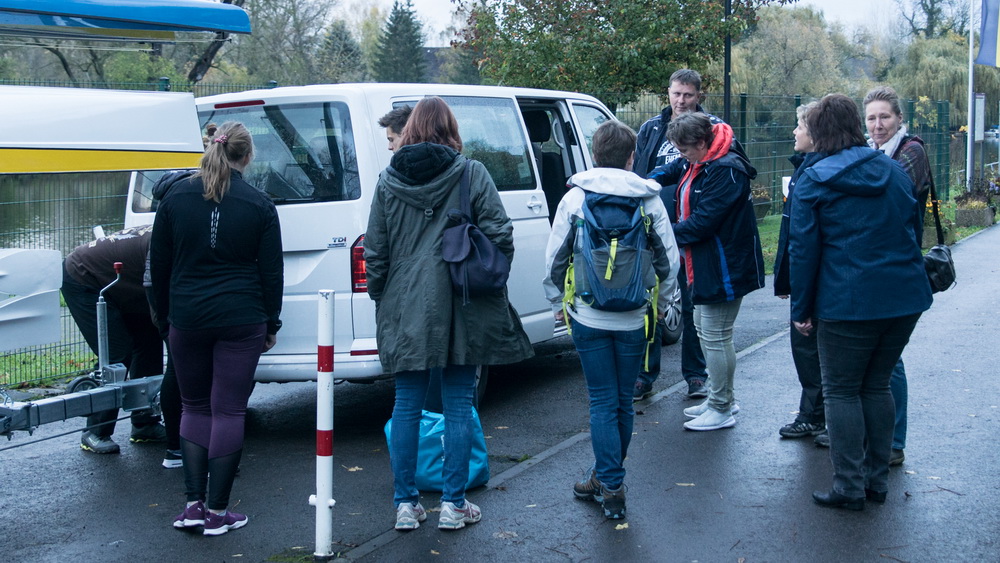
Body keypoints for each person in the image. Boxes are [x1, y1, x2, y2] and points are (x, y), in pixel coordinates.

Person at [364, 97, 532, 531]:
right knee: (458, 404)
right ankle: (454, 505)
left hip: (405, 304)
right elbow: (500, 234)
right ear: (451, 130)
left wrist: (385, 299)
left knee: (406, 405)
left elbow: (376, 253)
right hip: (463, 302)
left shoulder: (387, 182)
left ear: (410, 131)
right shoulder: (471, 172)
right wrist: (485, 272)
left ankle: (406, 505)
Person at [789, 94, 932, 510]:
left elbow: (803, 251)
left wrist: (801, 309)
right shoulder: (893, 170)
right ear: (856, 124)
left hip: (847, 301)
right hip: (903, 298)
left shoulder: (815, 178)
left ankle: (849, 486)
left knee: (841, 391)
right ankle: (876, 481)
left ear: (820, 132)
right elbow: (913, 229)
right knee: (876, 384)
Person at [151, 121, 284, 535]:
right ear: (248, 156)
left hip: (187, 316)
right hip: (242, 317)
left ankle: (192, 505)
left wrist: (165, 318)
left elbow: (159, 267)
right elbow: (271, 273)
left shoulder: (174, 199)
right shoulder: (259, 204)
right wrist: (272, 322)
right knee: (229, 410)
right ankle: (218, 511)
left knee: (194, 407)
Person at [544, 120, 679, 520]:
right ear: (632, 156)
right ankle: (608, 479)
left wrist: (556, 301)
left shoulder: (576, 197)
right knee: (622, 401)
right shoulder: (648, 199)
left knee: (602, 401)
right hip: (635, 316)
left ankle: (609, 481)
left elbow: (554, 259)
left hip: (587, 314)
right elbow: (668, 261)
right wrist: (664, 303)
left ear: (594, 155)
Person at [649, 112, 764, 431]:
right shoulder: (703, 159)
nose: (682, 156)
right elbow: (675, 168)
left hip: (725, 267)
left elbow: (702, 224)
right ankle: (719, 397)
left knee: (715, 335)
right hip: (706, 264)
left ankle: (721, 407)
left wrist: (658, 233)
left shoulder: (725, 169)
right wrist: (646, 182)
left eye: (684, 149)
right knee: (704, 328)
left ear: (701, 142)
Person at [633, 69, 716, 401]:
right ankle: (644, 375)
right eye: (676, 93)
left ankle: (695, 375)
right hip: (654, 231)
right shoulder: (651, 128)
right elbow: (641, 175)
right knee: (651, 303)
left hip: (693, 234)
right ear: (667, 93)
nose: (681, 100)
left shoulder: (712, 128)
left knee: (692, 304)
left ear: (699, 96)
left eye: (688, 95)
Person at [863, 85, 933, 467]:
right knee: (872, 359)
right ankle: (874, 438)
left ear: (899, 118)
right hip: (873, 266)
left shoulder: (911, 151)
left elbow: (886, 193)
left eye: (884, 117)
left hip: (899, 267)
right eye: (871, 118)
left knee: (890, 361)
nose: (877, 125)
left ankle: (894, 441)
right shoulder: (870, 151)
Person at [62, 225, 168, 454]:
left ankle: (145, 425)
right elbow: (159, 294)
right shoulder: (165, 241)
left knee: (149, 343)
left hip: (123, 284)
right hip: (84, 277)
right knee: (116, 352)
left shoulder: (174, 234)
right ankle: (95, 431)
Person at [774, 102, 827, 440]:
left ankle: (816, 416)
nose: (795, 132)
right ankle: (814, 413)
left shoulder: (814, 173)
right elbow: (789, 230)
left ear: (815, 134)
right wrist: (783, 280)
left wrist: (801, 299)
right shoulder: (804, 168)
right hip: (804, 281)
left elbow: (804, 240)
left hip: (815, 283)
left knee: (809, 349)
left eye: (801, 127)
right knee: (807, 350)